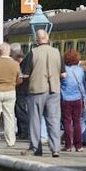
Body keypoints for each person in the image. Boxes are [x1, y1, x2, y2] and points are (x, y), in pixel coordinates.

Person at [23, 29, 62, 157]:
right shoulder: (57, 52)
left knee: (35, 120)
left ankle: (35, 148)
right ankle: (55, 148)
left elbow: (26, 74)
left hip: (36, 91)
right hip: (54, 90)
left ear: (36, 40)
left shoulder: (32, 53)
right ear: (48, 38)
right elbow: (64, 74)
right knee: (54, 120)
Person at [61, 49, 86, 152]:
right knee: (77, 122)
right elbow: (82, 85)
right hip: (78, 99)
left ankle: (68, 145)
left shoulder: (64, 70)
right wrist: (84, 98)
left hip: (66, 99)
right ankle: (78, 145)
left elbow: (60, 85)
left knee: (67, 122)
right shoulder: (80, 70)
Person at [10, 44, 30, 139]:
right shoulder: (23, 63)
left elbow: (21, 78)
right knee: (18, 112)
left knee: (21, 112)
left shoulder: (22, 65)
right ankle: (21, 131)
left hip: (21, 91)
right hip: (21, 90)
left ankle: (24, 132)